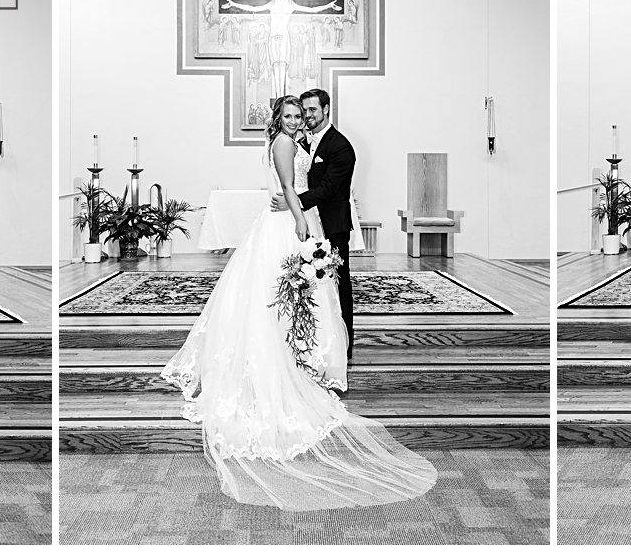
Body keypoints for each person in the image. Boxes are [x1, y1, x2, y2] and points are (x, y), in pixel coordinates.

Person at [160, 96, 435, 511]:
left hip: (307, 215)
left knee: (317, 290)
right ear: (279, 119)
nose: (297, 119)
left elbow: (321, 186)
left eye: (301, 113)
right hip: (292, 221)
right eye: (289, 115)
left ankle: (315, 350)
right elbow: (290, 185)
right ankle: (295, 354)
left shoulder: (333, 145)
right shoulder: (287, 144)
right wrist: (300, 216)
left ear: (321, 111)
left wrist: (300, 207)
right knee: (291, 288)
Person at [270, 88, 357, 359]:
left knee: (337, 283)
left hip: (332, 223)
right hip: (310, 221)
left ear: (326, 110)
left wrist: (294, 202)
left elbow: (329, 188)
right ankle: (309, 339)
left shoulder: (340, 145)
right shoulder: (301, 142)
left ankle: (344, 345)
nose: (306, 116)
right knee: (307, 279)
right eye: (301, 111)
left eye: (311, 110)